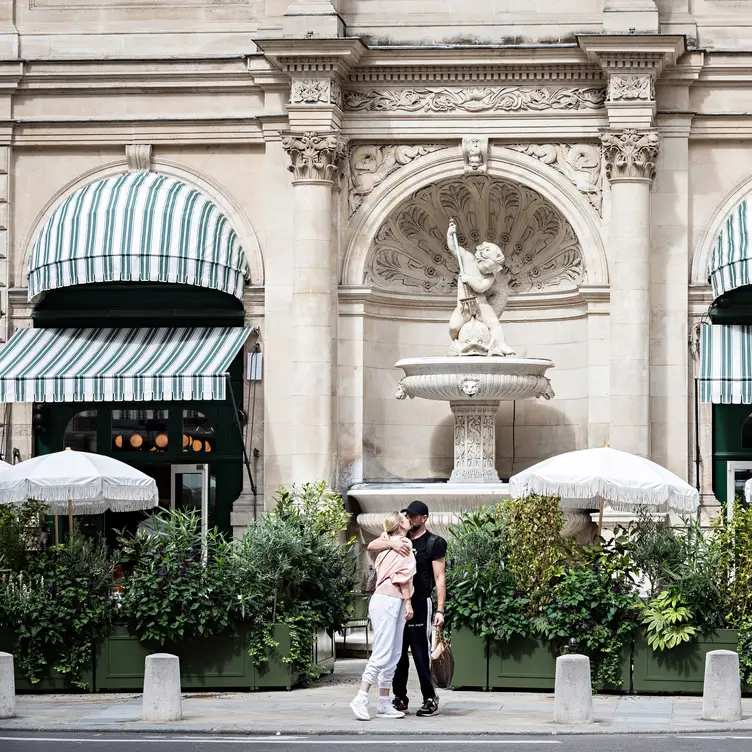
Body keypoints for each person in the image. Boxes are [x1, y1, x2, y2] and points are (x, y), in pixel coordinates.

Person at [367, 500, 447, 717]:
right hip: (398, 603)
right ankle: (399, 697)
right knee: (397, 652)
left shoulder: (434, 542)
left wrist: (440, 610)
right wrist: (392, 543)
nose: (410, 519)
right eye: (408, 515)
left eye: (414, 516)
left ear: (424, 518)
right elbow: (372, 545)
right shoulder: (398, 540)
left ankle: (429, 698)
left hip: (420, 602)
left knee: (421, 653)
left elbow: (440, 578)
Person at [350, 511, 416, 721]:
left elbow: (374, 545)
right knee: (383, 652)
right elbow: (403, 577)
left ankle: (384, 703)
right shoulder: (404, 543)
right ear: (399, 525)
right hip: (389, 600)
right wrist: (408, 602)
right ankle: (360, 697)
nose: (409, 519)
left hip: (387, 600)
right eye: (405, 518)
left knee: (394, 653)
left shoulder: (389, 544)